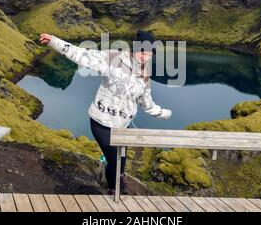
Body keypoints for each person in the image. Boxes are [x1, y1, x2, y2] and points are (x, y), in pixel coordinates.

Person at [39, 30, 172, 195]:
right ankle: (113, 190)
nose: (145, 57)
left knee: (122, 158)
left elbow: (146, 102)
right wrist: (53, 41)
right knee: (115, 160)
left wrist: (161, 113)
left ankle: (120, 177)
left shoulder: (144, 74)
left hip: (123, 125)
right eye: (142, 52)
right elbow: (82, 55)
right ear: (135, 49)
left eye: (149, 54)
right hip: (102, 122)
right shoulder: (113, 59)